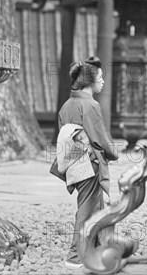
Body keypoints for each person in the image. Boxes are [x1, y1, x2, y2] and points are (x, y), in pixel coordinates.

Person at [57, 56, 118, 269]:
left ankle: (102, 250)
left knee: (97, 208)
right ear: (89, 82)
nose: (103, 81)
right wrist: (112, 153)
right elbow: (99, 137)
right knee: (86, 211)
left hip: (75, 164)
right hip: (89, 165)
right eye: (100, 78)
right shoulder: (90, 105)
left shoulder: (67, 105)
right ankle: (75, 256)